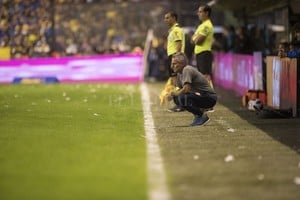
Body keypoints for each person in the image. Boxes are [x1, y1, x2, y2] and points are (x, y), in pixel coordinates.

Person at [167, 52, 217, 126]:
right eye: (172, 64)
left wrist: (175, 93)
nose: (172, 66)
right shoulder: (179, 73)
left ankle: (201, 115)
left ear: (182, 63)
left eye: (174, 64)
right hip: (201, 96)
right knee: (178, 98)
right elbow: (180, 89)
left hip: (210, 98)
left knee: (183, 97)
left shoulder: (187, 69)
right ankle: (198, 115)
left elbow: (186, 89)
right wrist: (172, 94)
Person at [163, 11, 185, 112]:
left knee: (177, 81)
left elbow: (179, 44)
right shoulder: (172, 30)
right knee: (174, 80)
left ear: (174, 18)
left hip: (174, 56)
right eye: (165, 18)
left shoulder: (176, 30)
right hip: (172, 56)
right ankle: (179, 103)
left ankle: (180, 104)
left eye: (167, 18)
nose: (165, 20)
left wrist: (175, 58)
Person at [191, 4, 214, 87]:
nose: (198, 13)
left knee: (205, 76)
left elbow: (198, 41)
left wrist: (195, 37)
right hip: (200, 54)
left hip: (204, 54)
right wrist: (194, 38)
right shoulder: (201, 25)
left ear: (206, 13)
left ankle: (208, 95)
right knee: (202, 76)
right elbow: (192, 39)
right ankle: (205, 94)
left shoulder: (207, 25)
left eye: (200, 12)